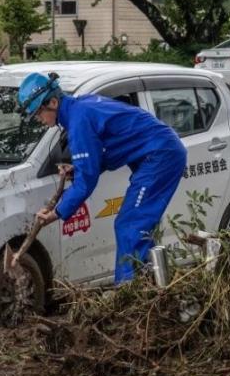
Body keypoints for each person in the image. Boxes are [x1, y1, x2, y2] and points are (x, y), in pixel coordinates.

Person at [17, 72, 187, 283]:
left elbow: (86, 182)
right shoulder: (79, 109)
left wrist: (56, 213)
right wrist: (77, 169)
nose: (39, 120)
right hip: (157, 152)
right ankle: (150, 287)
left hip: (160, 155)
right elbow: (99, 157)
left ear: (52, 102)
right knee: (137, 225)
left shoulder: (79, 121)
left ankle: (129, 294)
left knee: (129, 224)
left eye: (38, 114)